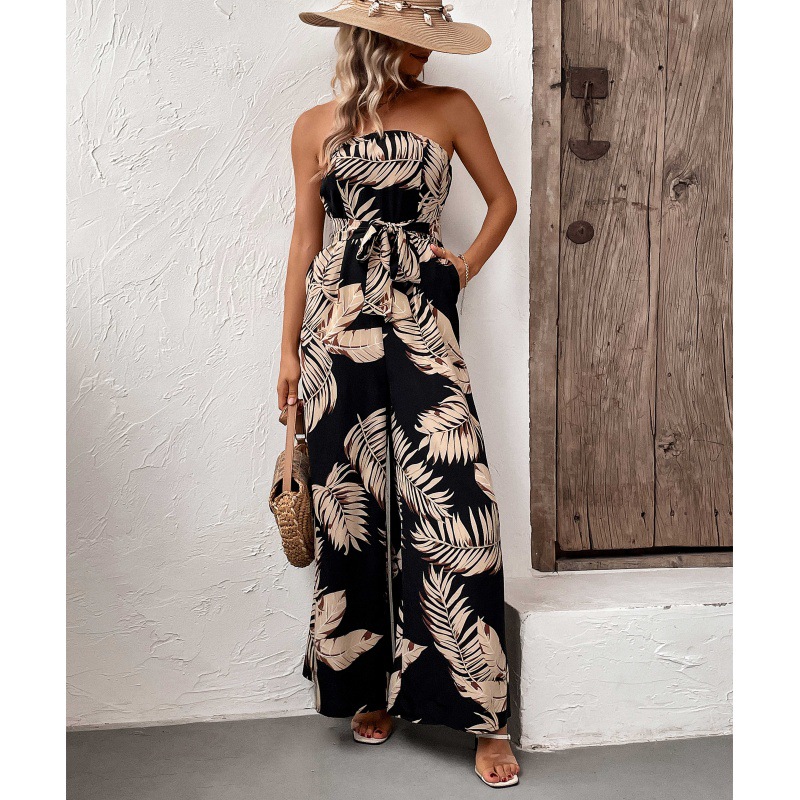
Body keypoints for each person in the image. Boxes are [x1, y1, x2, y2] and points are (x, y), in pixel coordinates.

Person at [277, 1, 519, 787]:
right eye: (416, 42)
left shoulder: (451, 107)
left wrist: (463, 267)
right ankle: (370, 688)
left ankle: (484, 716)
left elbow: (503, 201)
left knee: (456, 504)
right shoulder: (313, 126)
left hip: (421, 321)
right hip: (336, 330)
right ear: (376, 40)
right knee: (354, 506)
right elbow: (306, 242)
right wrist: (286, 351)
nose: (428, 55)